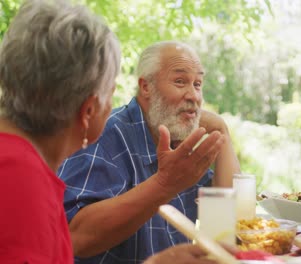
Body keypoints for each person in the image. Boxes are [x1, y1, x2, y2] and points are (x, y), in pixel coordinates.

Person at [0, 0, 227, 263]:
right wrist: (165, 184)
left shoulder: (21, 163)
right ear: (88, 111)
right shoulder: (19, 179)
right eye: (111, 91)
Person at [58, 41, 240, 262]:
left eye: (198, 84)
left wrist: (222, 131)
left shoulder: (180, 139)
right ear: (146, 87)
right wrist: (165, 184)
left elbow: (227, 220)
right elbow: (75, 235)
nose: (194, 96)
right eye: (180, 81)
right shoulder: (108, 134)